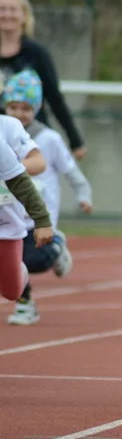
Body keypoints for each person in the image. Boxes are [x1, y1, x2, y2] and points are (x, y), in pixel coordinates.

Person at [2, 70, 92, 326]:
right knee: (12, 267)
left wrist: (83, 194)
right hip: (9, 212)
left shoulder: (48, 139)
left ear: (37, 108)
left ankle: (57, 246)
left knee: (33, 261)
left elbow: (70, 170)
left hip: (36, 217)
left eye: (26, 108)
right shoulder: (5, 128)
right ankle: (25, 305)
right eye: (13, 106)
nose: (19, 113)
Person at [0, 0, 86, 159]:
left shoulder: (37, 54)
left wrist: (75, 140)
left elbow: (54, 97)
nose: (7, 14)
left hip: (32, 135)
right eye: (2, 9)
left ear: (24, 16)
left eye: (13, 9)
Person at [0, 112, 50, 303]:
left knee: (11, 292)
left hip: (6, 224)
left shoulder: (6, 131)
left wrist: (42, 220)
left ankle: (18, 270)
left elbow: (19, 181)